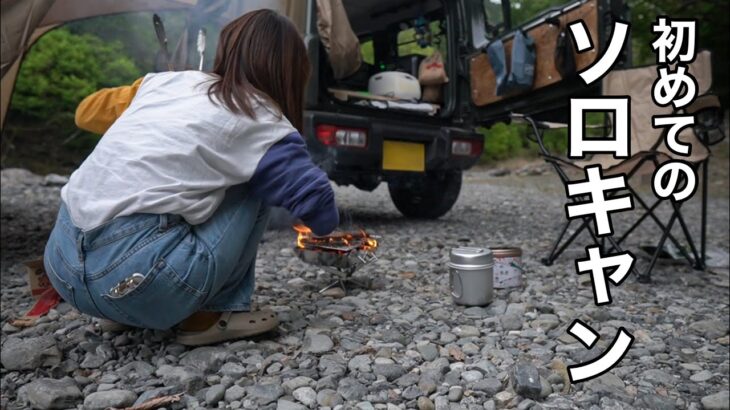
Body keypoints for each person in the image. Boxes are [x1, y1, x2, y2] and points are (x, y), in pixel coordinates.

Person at [43, 9, 338, 346]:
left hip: (62, 267)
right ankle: (211, 315)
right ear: (291, 72)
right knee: (253, 180)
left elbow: (86, 111)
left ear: (225, 48)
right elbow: (321, 215)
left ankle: (122, 313)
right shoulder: (262, 120)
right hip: (140, 282)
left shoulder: (160, 83)